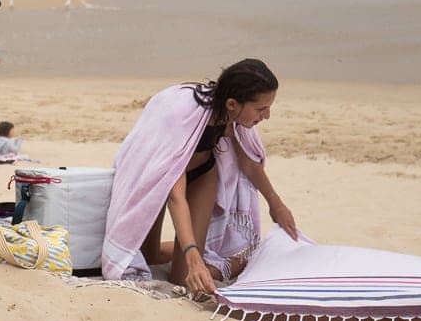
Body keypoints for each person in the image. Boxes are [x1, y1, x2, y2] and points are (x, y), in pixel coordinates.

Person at [102, 58, 297, 296]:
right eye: (260, 109)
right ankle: (213, 255)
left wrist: (276, 204)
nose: (266, 115)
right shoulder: (181, 117)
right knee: (150, 257)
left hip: (203, 173)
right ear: (232, 104)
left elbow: (249, 163)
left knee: (182, 277)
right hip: (154, 177)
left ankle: (234, 259)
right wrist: (193, 255)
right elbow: (176, 196)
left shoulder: (232, 119)